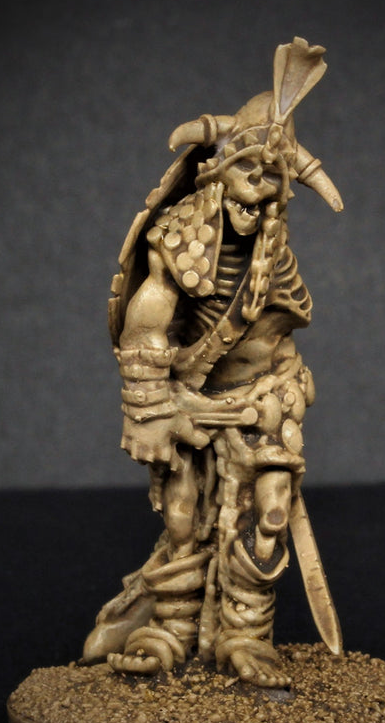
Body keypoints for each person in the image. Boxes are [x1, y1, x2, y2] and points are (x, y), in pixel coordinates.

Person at [83, 38, 343, 688]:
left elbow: (279, 333)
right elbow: (147, 319)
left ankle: (245, 637)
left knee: (271, 514)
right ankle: (169, 632)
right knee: (181, 519)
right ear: (218, 169)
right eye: (247, 171)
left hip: (265, 403)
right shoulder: (180, 237)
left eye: (273, 180)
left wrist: (288, 391)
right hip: (190, 406)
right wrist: (152, 408)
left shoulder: (273, 251)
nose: (258, 190)